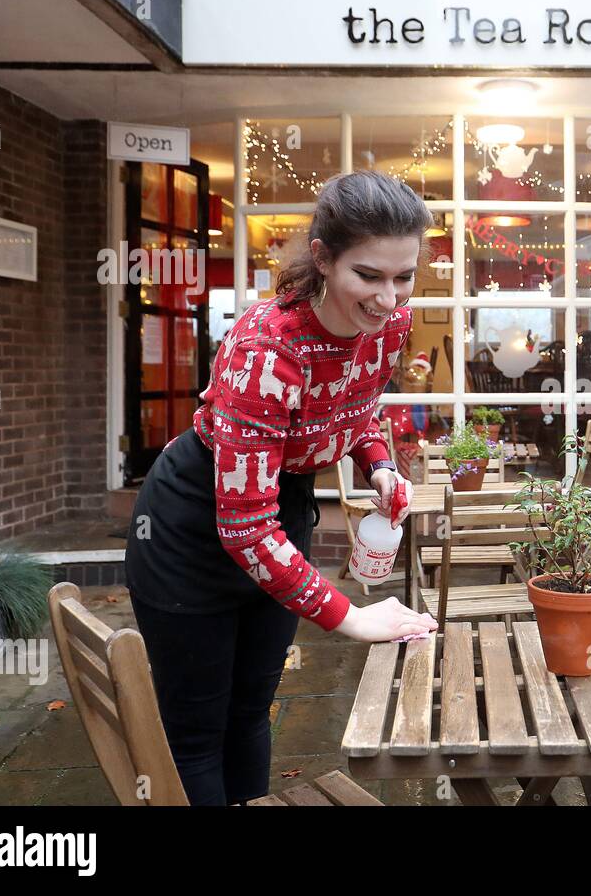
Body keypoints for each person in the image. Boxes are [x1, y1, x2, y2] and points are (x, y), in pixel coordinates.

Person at [124, 171, 438, 805]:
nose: (388, 299)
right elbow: (243, 527)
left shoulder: (391, 328)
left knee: (250, 712)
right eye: (369, 275)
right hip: (192, 524)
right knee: (195, 730)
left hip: (282, 509)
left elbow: (355, 408)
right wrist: (350, 616)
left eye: (403, 277)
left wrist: (377, 463)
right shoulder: (266, 351)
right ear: (323, 258)